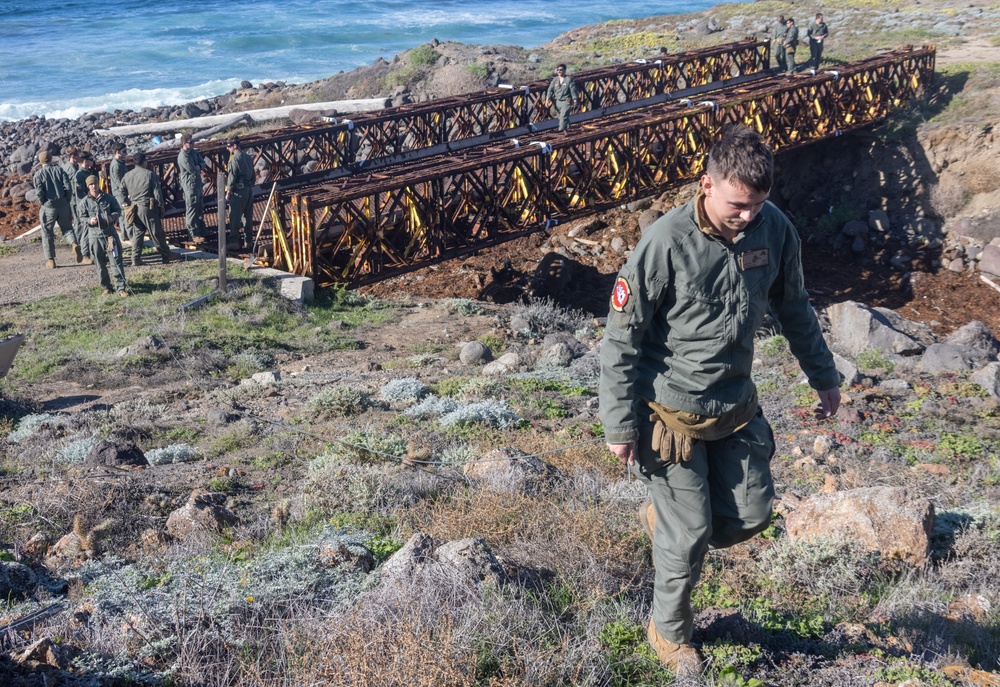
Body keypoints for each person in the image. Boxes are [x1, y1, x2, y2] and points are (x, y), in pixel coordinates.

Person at [599, 126, 841, 677]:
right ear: (706, 183)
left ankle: (663, 520)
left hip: (735, 412)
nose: (748, 216)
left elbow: (796, 307)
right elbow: (621, 339)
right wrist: (618, 424)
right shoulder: (665, 242)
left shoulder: (775, 231)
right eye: (738, 204)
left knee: (749, 519)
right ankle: (669, 633)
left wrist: (823, 375)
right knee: (688, 539)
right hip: (669, 418)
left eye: (758, 204)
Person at [77, 175, 128, 297]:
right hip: (95, 237)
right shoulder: (84, 202)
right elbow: (81, 218)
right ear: (88, 186)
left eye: (95, 184)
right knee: (100, 264)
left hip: (110, 236)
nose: (93, 187)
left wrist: (112, 217)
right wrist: (90, 220)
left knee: (116, 261)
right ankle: (106, 287)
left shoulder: (109, 198)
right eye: (90, 185)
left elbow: (118, 210)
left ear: (98, 185)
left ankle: (121, 288)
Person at [33, 151, 83, 269]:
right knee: (67, 228)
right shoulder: (60, 170)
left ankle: (51, 260)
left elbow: (39, 193)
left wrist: (44, 202)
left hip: (48, 207)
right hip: (63, 204)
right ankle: (74, 243)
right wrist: (67, 200)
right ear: (51, 159)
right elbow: (68, 187)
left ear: (40, 162)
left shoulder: (38, 174)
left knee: (47, 232)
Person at [121, 151, 172, 265]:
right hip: (147, 208)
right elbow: (157, 192)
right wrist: (161, 206)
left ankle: (136, 258)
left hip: (134, 208)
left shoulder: (127, 175)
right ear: (144, 162)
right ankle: (166, 255)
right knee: (157, 232)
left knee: (138, 234)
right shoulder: (150, 174)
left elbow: (121, 191)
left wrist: (125, 203)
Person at [177, 131, 208, 243]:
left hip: (197, 184)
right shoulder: (183, 157)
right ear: (184, 143)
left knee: (199, 208)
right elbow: (192, 169)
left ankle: (201, 231)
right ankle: (192, 234)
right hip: (190, 186)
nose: (193, 144)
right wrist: (198, 167)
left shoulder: (193, 153)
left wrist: (199, 166)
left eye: (193, 141)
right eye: (190, 142)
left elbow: (202, 163)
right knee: (191, 210)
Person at [225, 137, 255, 249]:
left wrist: (229, 191)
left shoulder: (234, 159)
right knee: (248, 216)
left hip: (238, 191)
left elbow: (232, 177)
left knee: (235, 216)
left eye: (228, 146)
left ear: (235, 146)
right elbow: (253, 175)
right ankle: (248, 241)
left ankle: (234, 242)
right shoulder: (248, 157)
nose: (227, 148)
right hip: (248, 189)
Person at [73, 151, 97, 264]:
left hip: (92, 204)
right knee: (85, 231)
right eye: (91, 159)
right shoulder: (79, 175)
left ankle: (93, 253)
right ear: (84, 161)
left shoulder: (88, 172)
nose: (93, 161)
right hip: (84, 206)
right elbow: (79, 194)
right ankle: (85, 254)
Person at [109, 142, 133, 243]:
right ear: (118, 152)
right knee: (126, 213)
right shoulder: (116, 165)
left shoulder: (119, 163)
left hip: (120, 192)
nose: (126, 153)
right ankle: (129, 236)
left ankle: (125, 235)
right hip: (120, 194)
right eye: (124, 152)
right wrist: (126, 192)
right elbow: (119, 182)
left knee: (123, 214)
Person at [545, 64, 580, 132]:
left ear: (564, 70)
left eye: (561, 70)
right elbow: (550, 89)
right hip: (558, 102)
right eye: (558, 70)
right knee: (561, 118)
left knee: (563, 117)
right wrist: (547, 99)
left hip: (566, 101)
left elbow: (573, 91)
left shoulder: (569, 80)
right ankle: (568, 129)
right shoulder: (555, 80)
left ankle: (560, 132)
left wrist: (575, 100)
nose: (559, 71)